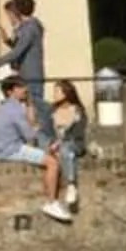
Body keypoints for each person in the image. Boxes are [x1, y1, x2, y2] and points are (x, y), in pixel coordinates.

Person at [0, 76, 76, 222]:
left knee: (45, 152)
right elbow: (29, 135)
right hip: (10, 149)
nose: (24, 90)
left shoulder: (4, 107)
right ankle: (52, 202)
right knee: (52, 163)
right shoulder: (15, 109)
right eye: (20, 88)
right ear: (10, 92)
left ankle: (52, 201)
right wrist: (35, 122)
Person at [1, 0, 49, 134]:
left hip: (31, 75)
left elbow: (18, 51)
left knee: (36, 107)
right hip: (25, 74)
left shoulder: (30, 27)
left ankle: (43, 138)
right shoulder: (25, 28)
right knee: (28, 107)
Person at [45, 77, 88, 218]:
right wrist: (52, 143)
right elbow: (47, 131)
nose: (54, 95)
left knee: (67, 149)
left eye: (57, 91)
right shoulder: (51, 111)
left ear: (66, 93)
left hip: (74, 143)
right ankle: (71, 185)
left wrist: (61, 142)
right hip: (58, 147)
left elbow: (78, 134)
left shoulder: (77, 111)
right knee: (66, 155)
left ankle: (71, 185)